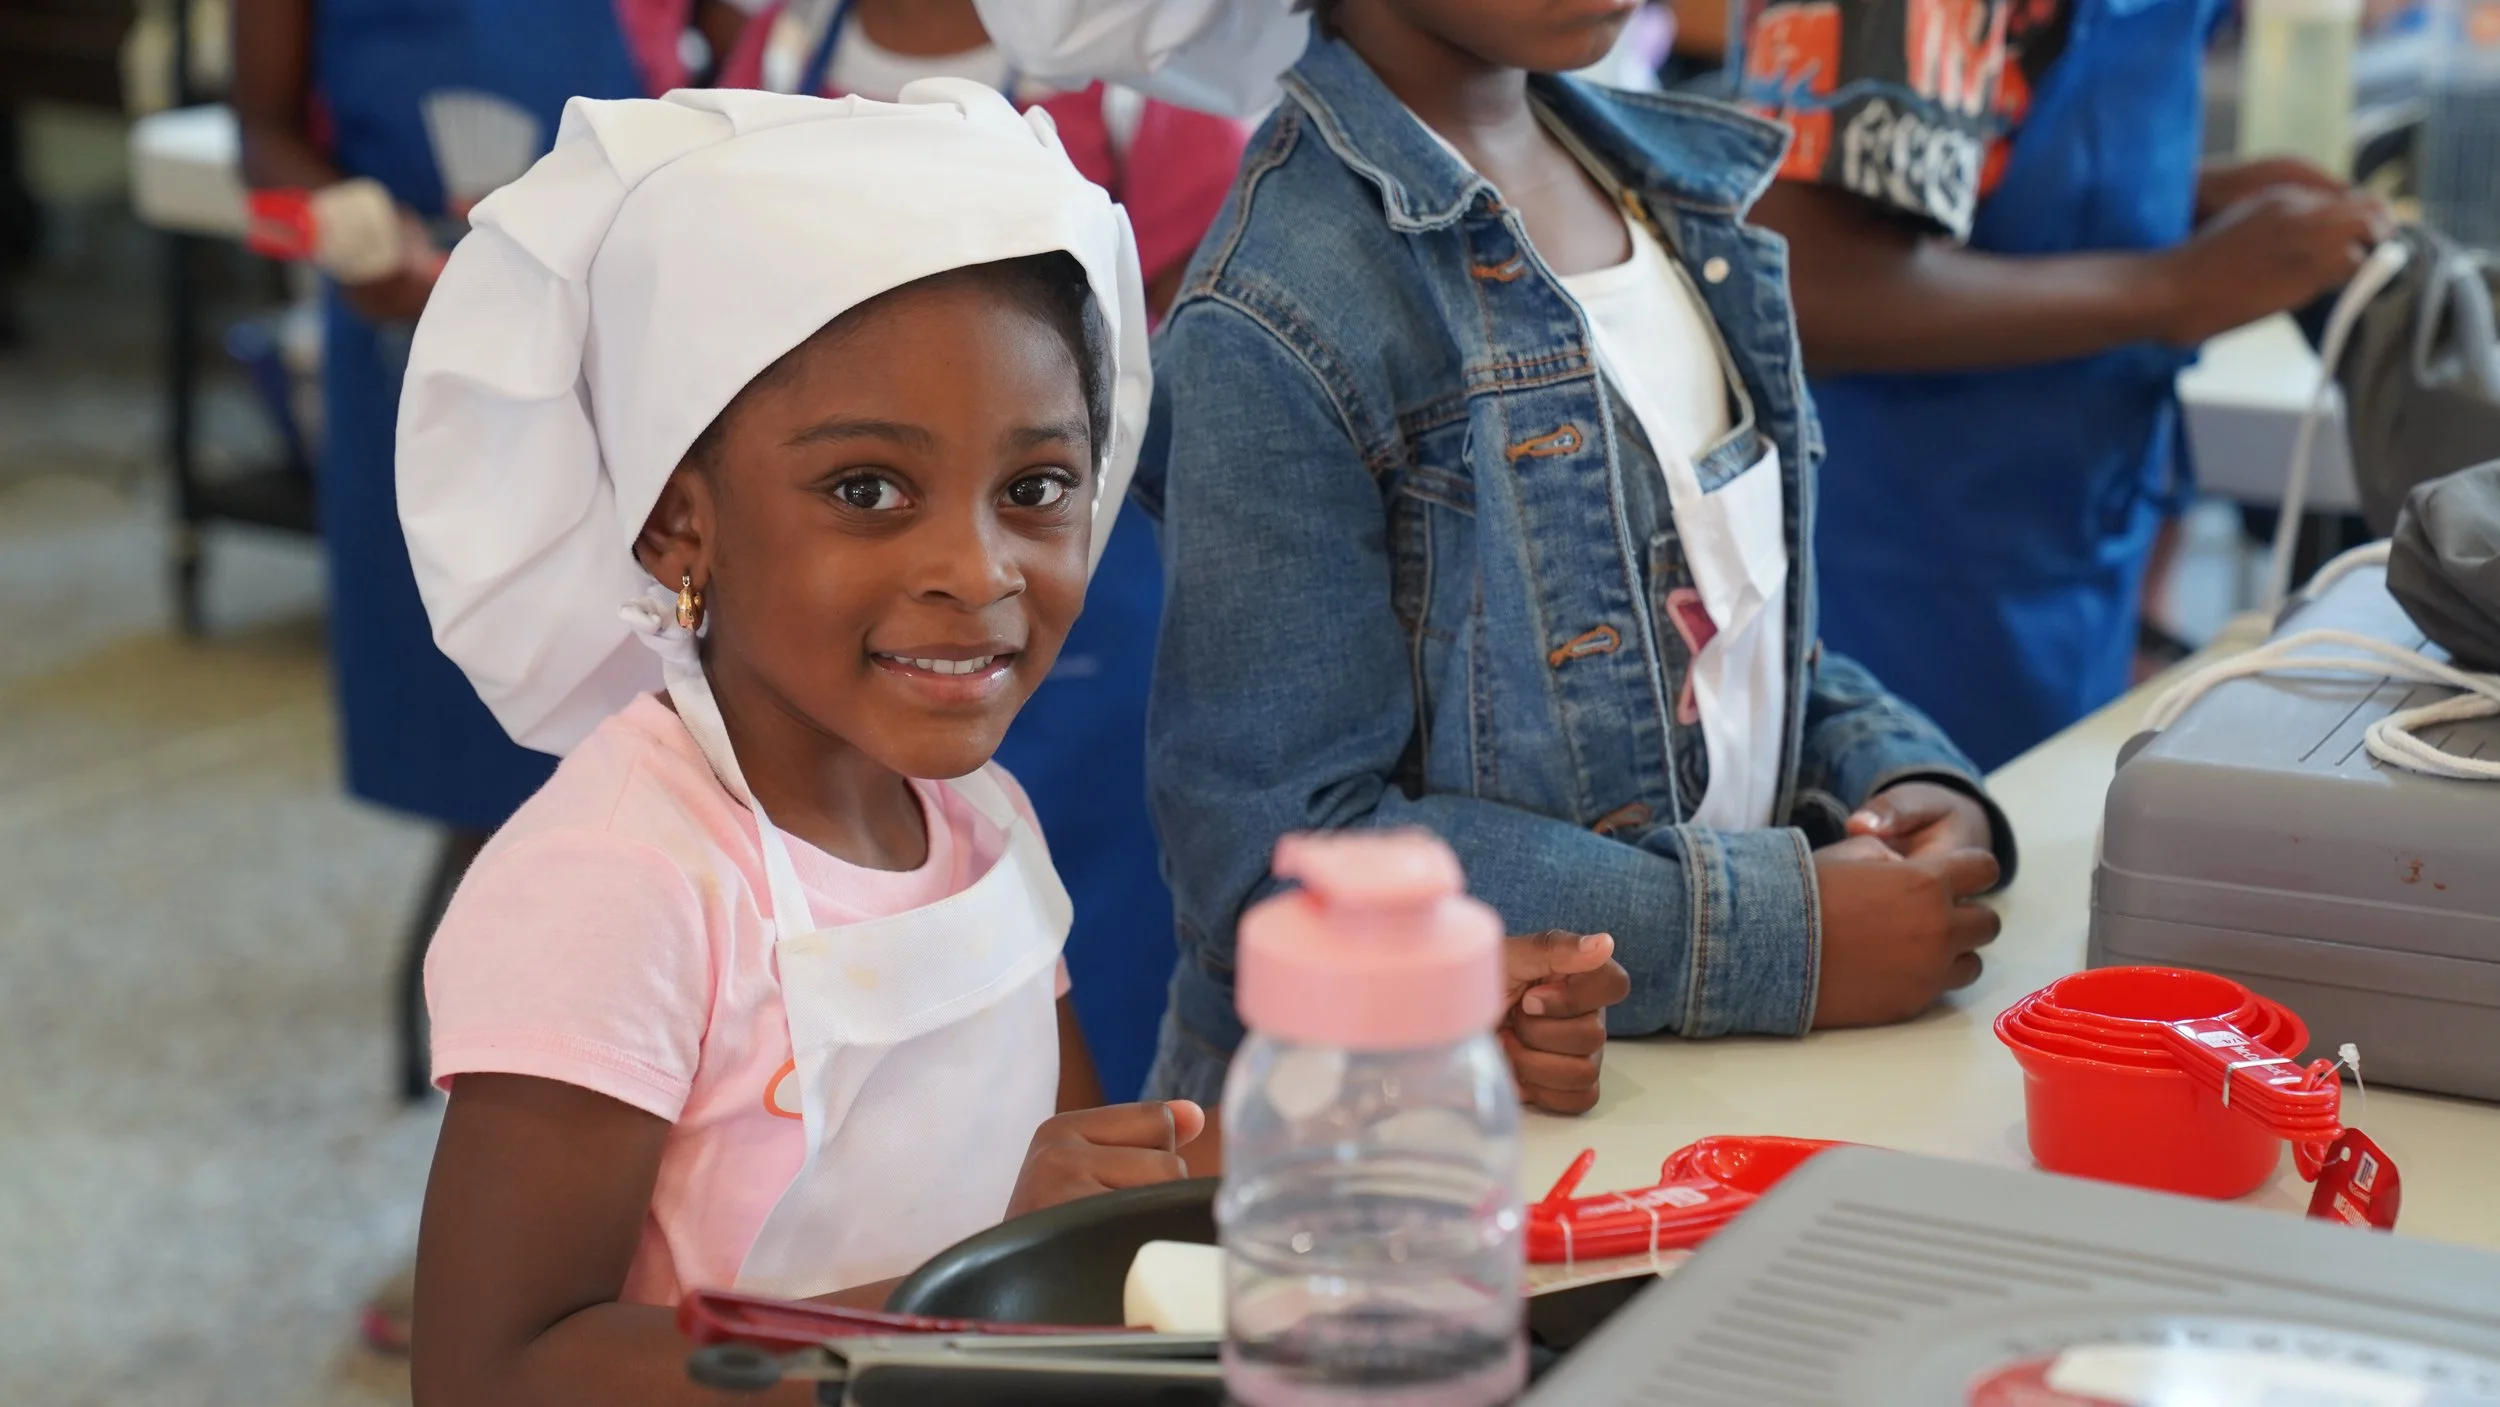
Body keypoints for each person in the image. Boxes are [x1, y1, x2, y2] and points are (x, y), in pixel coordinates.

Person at [394, 84, 1622, 1401]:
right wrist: (970, 1286)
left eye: (1035, 488)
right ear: (676, 525)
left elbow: (1090, 1183)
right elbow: (493, 1368)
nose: (977, 570)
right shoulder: (618, 881)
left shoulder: (977, 817)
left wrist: (1399, 1069)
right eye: (868, 489)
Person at [1139, 0, 2017, 1157]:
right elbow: (1280, 858)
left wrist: (1892, 777)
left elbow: (1713, 627)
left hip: (1701, 1103)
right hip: (1398, 1155)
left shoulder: (1668, 193)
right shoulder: (1273, 313)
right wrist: (1760, 937)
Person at [726, 0, 1256, 1097]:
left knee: (1087, 938)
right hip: (845, 617)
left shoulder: (1128, 73)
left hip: (1087, 635)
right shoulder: (779, 50)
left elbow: (1166, 369)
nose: (965, 564)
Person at [1732, 0, 2388, 768]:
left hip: (2075, 521)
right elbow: (1806, 284)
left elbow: (1976, 156)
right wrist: (2173, 289)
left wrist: (2181, 199)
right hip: (1909, 560)